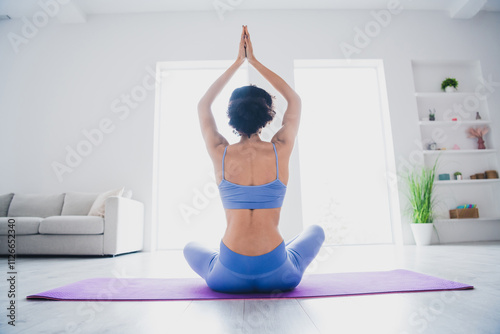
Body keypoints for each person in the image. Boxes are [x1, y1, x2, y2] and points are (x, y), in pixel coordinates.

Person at [183, 25, 325, 293]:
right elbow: (294, 99)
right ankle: (280, 253)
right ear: (268, 115)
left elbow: (203, 105)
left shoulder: (220, 152)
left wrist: (238, 62)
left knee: (190, 248)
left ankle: (230, 260)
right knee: (315, 230)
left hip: (226, 276)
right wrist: (254, 62)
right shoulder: (280, 148)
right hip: (279, 274)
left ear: (232, 118)